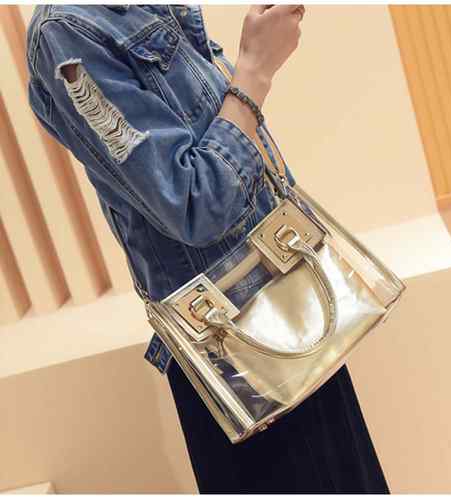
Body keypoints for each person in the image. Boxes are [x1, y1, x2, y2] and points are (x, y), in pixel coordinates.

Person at [26, 4, 389, 494]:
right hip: (236, 346)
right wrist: (254, 70)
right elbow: (193, 204)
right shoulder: (68, 34)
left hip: (292, 314)